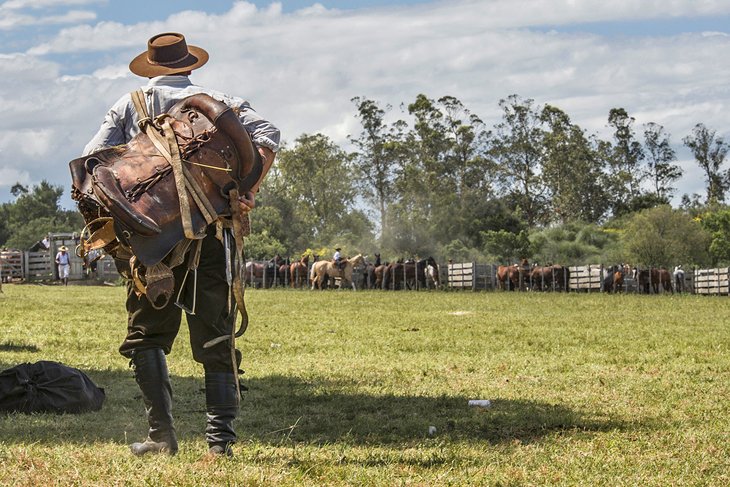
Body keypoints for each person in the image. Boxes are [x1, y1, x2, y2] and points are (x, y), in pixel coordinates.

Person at [82, 32, 280, 457]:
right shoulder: (220, 99)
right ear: (190, 65)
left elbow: (93, 158)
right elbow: (269, 133)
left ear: (152, 68)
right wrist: (248, 190)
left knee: (147, 336)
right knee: (216, 332)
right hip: (212, 232)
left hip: (152, 241)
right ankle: (219, 444)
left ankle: (161, 436)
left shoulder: (129, 104)